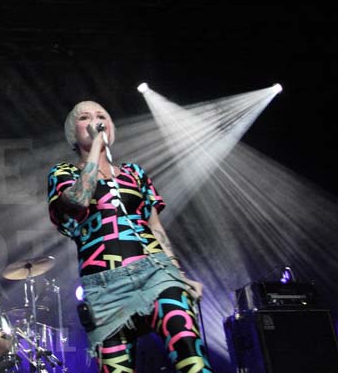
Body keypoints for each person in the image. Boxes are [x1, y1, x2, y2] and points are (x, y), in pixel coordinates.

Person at [47, 101, 213, 373]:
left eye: (102, 116)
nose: (95, 120)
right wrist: (96, 149)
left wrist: (180, 274)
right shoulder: (63, 174)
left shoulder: (134, 173)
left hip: (156, 272)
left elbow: (155, 227)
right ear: (72, 133)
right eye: (85, 117)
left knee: (188, 349)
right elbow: (79, 198)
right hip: (104, 286)